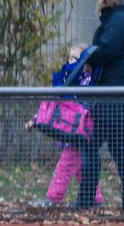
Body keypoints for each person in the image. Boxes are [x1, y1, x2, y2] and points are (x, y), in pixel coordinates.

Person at [26, 43, 102, 206]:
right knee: (81, 169)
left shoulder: (88, 81)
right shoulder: (66, 83)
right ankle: (96, 199)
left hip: (81, 132)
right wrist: (36, 119)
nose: (71, 63)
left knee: (65, 165)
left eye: (76, 59)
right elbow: (54, 106)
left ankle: (52, 198)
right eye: (69, 58)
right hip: (72, 132)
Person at [75, 0, 124, 210]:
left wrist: (86, 56)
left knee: (91, 146)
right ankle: (86, 201)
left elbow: (107, 50)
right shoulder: (115, 21)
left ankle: (85, 202)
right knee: (117, 150)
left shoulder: (117, 21)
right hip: (113, 98)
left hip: (110, 98)